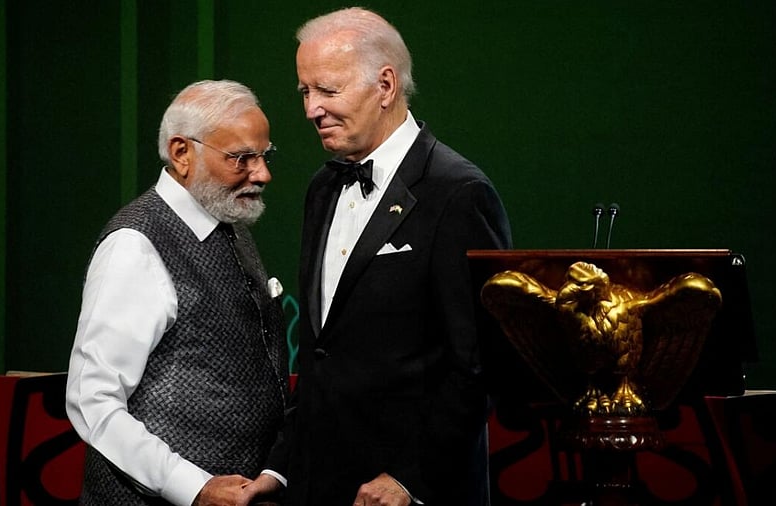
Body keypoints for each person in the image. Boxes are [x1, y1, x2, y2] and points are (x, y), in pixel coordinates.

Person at [244, 7, 512, 506]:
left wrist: (411, 477)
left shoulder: (459, 192)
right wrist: (280, 468)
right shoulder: (323, 188)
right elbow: (323, 354)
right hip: (318, 486)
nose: (310, 110)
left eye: (327, 90)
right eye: (305, 92)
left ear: (385, 86)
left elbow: (479, 364)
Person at [65, 79, 288, 506]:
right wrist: (194, 486)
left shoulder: (229, 220)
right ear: (182, 153)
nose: (262, 174)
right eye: (241, 158)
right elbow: (92, 400)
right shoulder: (135, 245)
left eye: (264, 155)